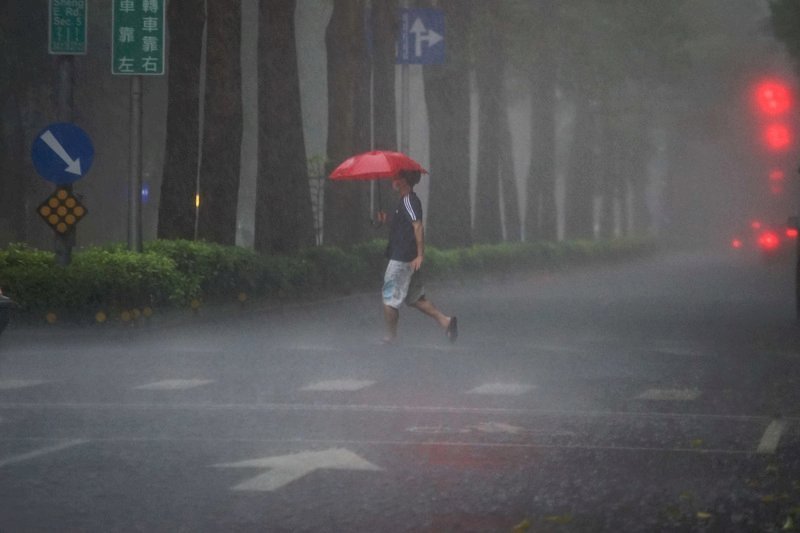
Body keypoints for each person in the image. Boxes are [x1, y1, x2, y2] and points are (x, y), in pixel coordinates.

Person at [381, 169, 457, 344]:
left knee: (389, 297)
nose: (393, 180)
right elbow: (403, 226)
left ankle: (390, 337)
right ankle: (446, 321)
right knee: (415, 298)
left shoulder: (408, 200)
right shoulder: (404, 202)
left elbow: (417, 226)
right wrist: (386, 219)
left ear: (404, 181)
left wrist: (420, 255)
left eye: (397, 177)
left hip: (402, 258)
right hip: (407, 257)